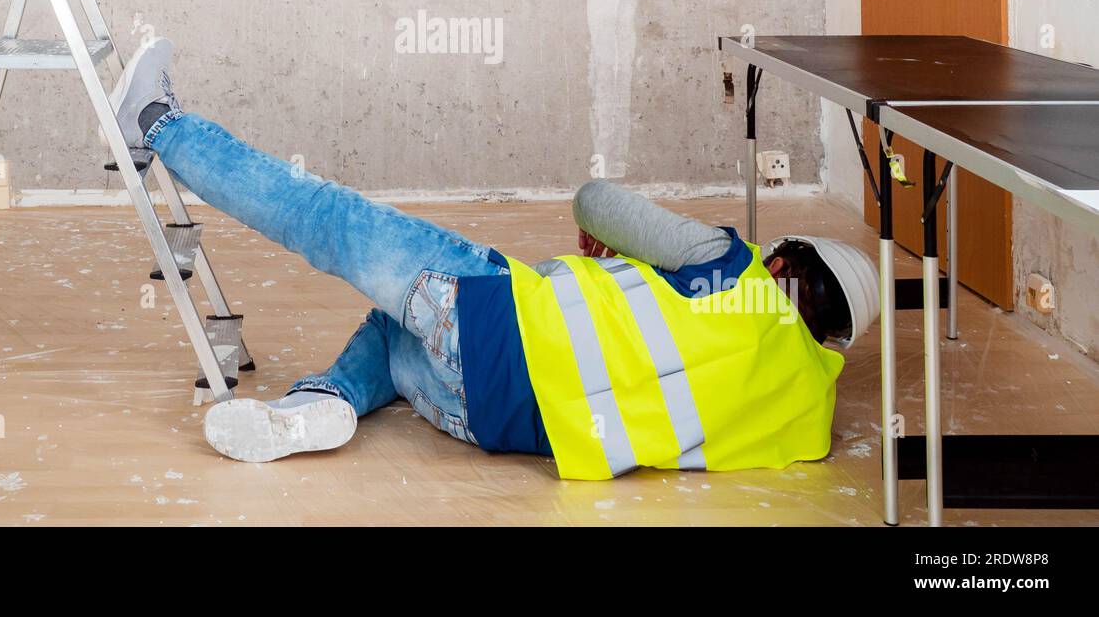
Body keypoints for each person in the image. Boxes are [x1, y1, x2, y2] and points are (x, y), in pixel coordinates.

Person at [108, 37, 880, 480]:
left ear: (784, 265)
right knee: (386, 333)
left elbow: (595, 200)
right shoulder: (807, 419)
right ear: (833, 338)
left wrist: (609, 238)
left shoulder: (732, 265)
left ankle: (156, 123)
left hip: (496, 321)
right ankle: (329, 402)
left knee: (326, 218)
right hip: (496, 421)